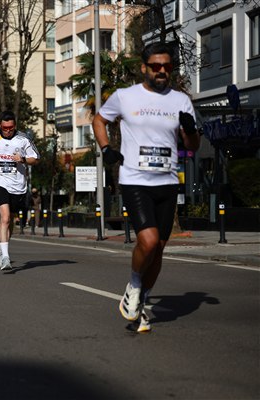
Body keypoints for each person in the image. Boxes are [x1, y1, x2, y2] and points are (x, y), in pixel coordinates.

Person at [92, 42, 200, 333]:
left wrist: (190, 130)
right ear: (144, 68)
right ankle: (134, 284)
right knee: (149, 241)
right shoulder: (125, 96)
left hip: (168, 181)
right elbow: (99, 119)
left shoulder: (181, 100)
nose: (162, 71)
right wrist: (106, 148)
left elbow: (192, 146)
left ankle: (139, 302)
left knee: (159, 248)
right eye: (156, 66)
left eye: (167, 66)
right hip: (135, 180)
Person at [0, 110, 40, 272]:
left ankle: (3, 246)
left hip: (17, 185)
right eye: (5, 128)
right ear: (0, 125)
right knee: (5, 217)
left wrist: (22, 159)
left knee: (10, 220)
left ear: (15, 125)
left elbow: (36, 158)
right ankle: (6, 257)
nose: (8, 131)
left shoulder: (23, 139)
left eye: (11, 128)